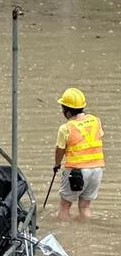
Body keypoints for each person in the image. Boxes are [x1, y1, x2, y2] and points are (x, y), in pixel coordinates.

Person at [53, 87, 104, 221]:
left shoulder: (66, 128)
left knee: (65, 206)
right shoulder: (96, 121)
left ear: (67, 112)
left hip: (77, 170)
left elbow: (60, 149)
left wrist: (57, 164)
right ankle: (87, 230)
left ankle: (64, 232)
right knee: (85, 206)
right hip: (97, 169)